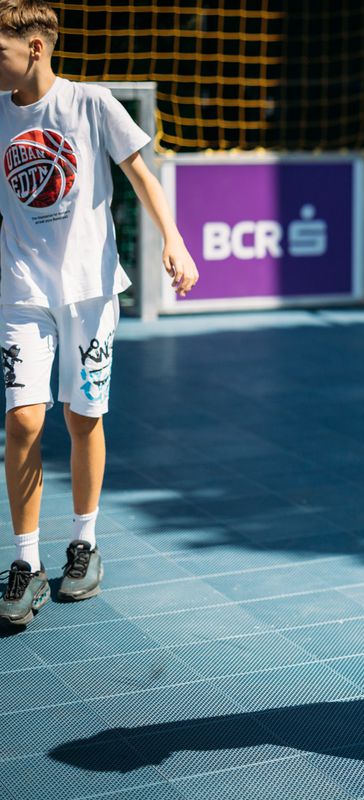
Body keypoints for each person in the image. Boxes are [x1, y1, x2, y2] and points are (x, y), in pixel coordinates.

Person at [0, 0, 199, 628]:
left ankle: (83, 544)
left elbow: (142, 175)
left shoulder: (91, 104)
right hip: (19, 290)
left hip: (89, 291)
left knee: (82, 418)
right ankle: (26, 561)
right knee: (23, 423)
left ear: (35, 47)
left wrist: (174, 239)